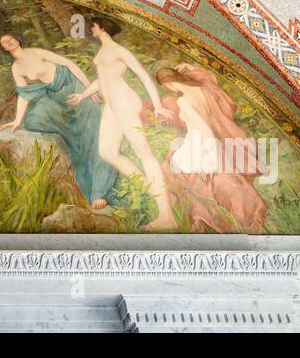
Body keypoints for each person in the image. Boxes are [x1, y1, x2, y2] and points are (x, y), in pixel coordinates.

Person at [68, 18, 178, 231]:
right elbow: (103, 79)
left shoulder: (119, 50)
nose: (90, 28)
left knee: (144, 152)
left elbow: (144, 77)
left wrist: (158, 107)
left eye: (93, 25)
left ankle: (167, 216)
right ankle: (154, 189)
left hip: (124, 101)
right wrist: (83, 94)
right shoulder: (101, 52)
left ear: (102, 27)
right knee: (107, 152)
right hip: (111, 105)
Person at [0, 34, 118, 209]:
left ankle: (101, 191)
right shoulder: (16, 67)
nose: (8, 42)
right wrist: (17, 120)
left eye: (10, 38)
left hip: (73, 88)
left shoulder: (36, 52)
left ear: (17, 40)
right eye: (4, 42)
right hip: (57, 98)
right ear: (4, 49)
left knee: (93, 137)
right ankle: (89, 189)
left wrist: (88, 91)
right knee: (34, 120)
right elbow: (24, 94)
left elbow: (69, 64)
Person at [156, 63, 268, 233]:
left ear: (167, 83)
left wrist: (211, 160)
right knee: (194, 179)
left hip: (199, 144)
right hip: (201, 142)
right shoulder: (202, 87)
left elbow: (206, 130)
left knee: (176, 172)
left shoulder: (184, 100)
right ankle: (198, 220)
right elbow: (208, 75)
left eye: (165, 86)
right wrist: (188, 65)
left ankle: (198, 220)